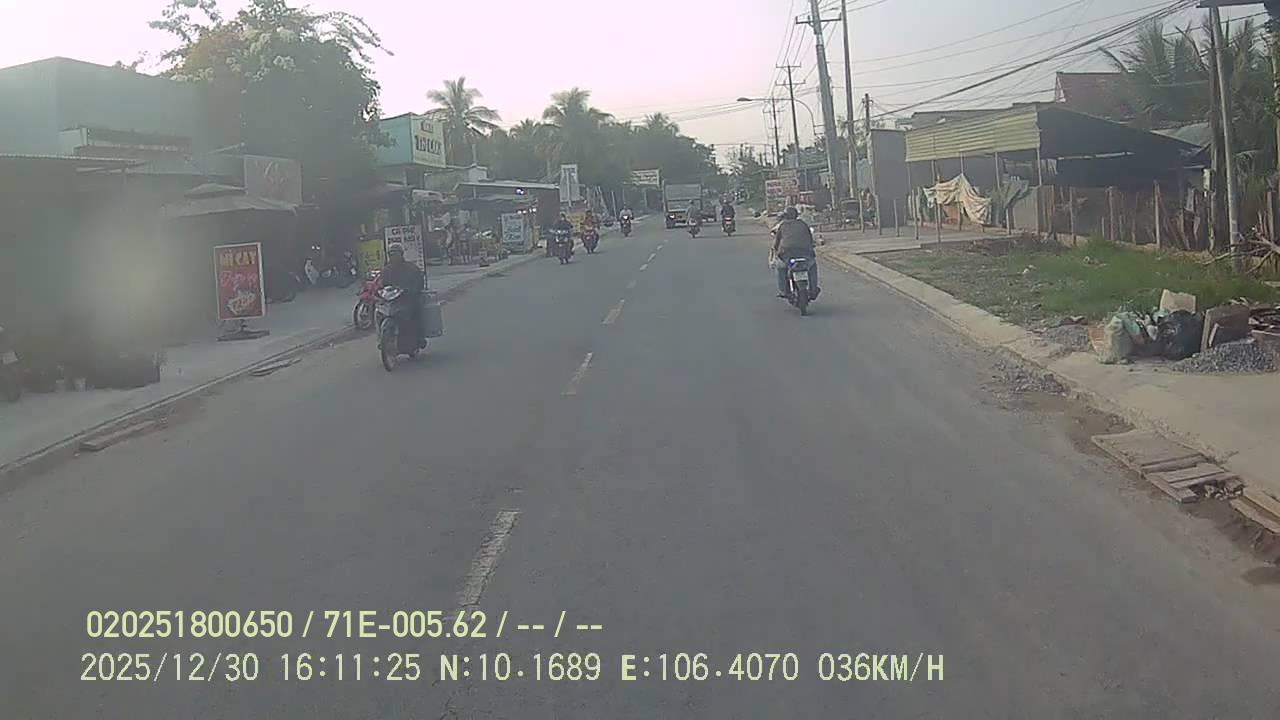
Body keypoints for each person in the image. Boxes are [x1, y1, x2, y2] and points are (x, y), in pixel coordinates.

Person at [381, 243, 426, 347]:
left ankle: (419, 337)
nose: (393, 257)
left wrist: (412, 290)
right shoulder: (386, 270)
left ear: (401, 254)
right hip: (392, 301)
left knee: (416, 313)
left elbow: (419, 282)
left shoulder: (411, 268)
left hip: (408, 299)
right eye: (391, 254)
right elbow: (382, 284)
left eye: (396, 254)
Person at [771, 206, 819, 299]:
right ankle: (813, 289)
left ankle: (783, 290)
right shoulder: (803, 224)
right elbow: (810, 239)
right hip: (805, 252)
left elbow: (777, 242)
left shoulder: (782, 225)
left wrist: (776, 251)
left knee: (781, 268)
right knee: (812, 267)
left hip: (787, 253)